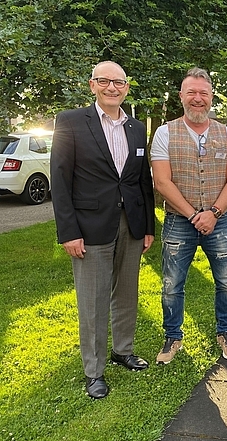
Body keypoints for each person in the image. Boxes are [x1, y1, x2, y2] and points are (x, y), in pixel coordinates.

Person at [51, 61, 155, 399]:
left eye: (119, 82)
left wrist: (148, 226)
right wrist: (68, 232)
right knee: (93, 301)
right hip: (89, 226)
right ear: (92, 85)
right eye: (105, 81)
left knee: (126, 292)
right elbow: (60, 180)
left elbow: (142, 181)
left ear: (126, 87)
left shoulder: (137, 128)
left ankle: (122, 350)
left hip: (131, 225)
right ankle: (94, 371)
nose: (113, 87)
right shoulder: (70, 122)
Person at [151, 67, 227, 363]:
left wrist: (214, 213)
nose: (198, 98)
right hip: (179, 221)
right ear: (181, 96)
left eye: (203, 93)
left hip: (220, 220)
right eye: (191, 92)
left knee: (226, 281)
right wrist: (193, 215)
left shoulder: (226, 134)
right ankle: (172, 337)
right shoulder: (165, 133)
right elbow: (162, 182)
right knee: (172, 284)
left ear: (211, 96)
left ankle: (225, 332)